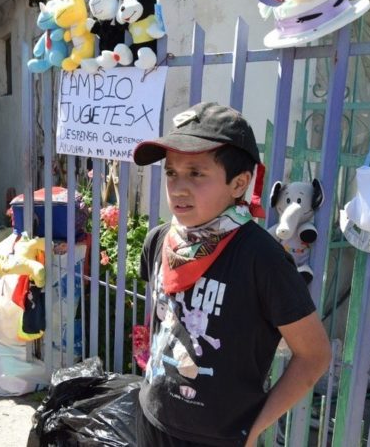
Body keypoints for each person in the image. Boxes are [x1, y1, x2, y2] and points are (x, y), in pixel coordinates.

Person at [132, 102, 331, 446]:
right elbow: (164, 321)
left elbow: (314, 356)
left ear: (238, 184)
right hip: (152, 420)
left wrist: (253, 430)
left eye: (196, 173)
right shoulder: (161, 239)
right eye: (171, 172)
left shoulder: (262, 258)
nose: (178, 187)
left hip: (218, 438)